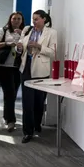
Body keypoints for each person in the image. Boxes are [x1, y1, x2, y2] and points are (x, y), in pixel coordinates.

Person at [17, 9, 57, 144]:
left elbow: (53, 52)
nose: (33, 21)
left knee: (39, 100)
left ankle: (36, 124)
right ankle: (27, 132)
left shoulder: (51, 33)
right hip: (26, 67)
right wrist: (19, 48)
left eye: (36, 19)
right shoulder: (27, 30)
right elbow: (20, 46)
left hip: (41, 69)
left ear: (44, 19)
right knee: (27, 101)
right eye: (33, 19)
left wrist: (38, 46)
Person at [0, 12, 26, 132]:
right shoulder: (3, 30)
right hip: (3, 66)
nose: (16, 21)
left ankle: (7, 117)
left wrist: (22, 42)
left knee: (13, 94)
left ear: (22, 20)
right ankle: (10, 120)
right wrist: (7, 43)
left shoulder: (25, 32)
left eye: (19, 19)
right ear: (10, 20)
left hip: (17, 67)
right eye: (14, 18)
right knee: (9, 92)